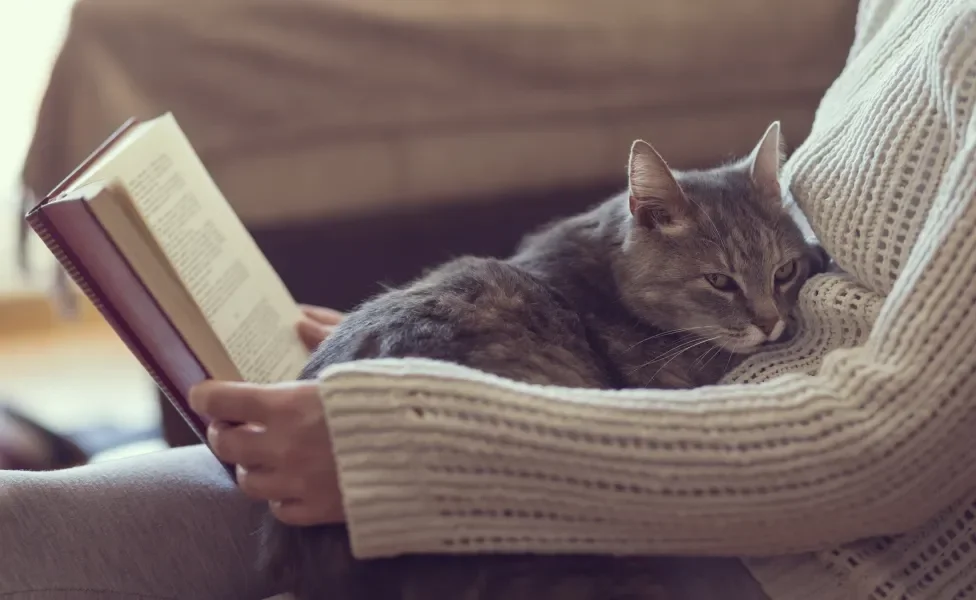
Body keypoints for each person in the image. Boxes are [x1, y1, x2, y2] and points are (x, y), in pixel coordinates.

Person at [2, 0, 976, 598]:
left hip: (791, 553)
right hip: (667, 438)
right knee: (30, 526)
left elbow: (889, 450)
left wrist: (425, 439)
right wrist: (437, 355)